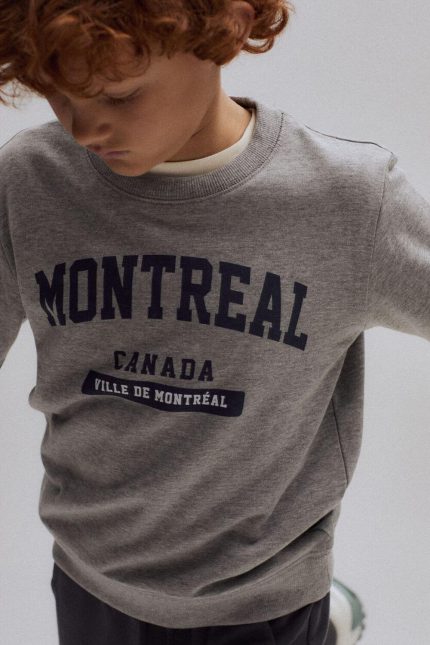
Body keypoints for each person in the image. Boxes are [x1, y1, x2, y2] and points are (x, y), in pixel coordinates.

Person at [0, 1, 428, 643]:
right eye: (60, 96)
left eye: (119, 94)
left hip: (261, 597)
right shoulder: (30, 179)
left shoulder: (346, 198)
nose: (84, 128)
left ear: (224, 28)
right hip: (91, 576)